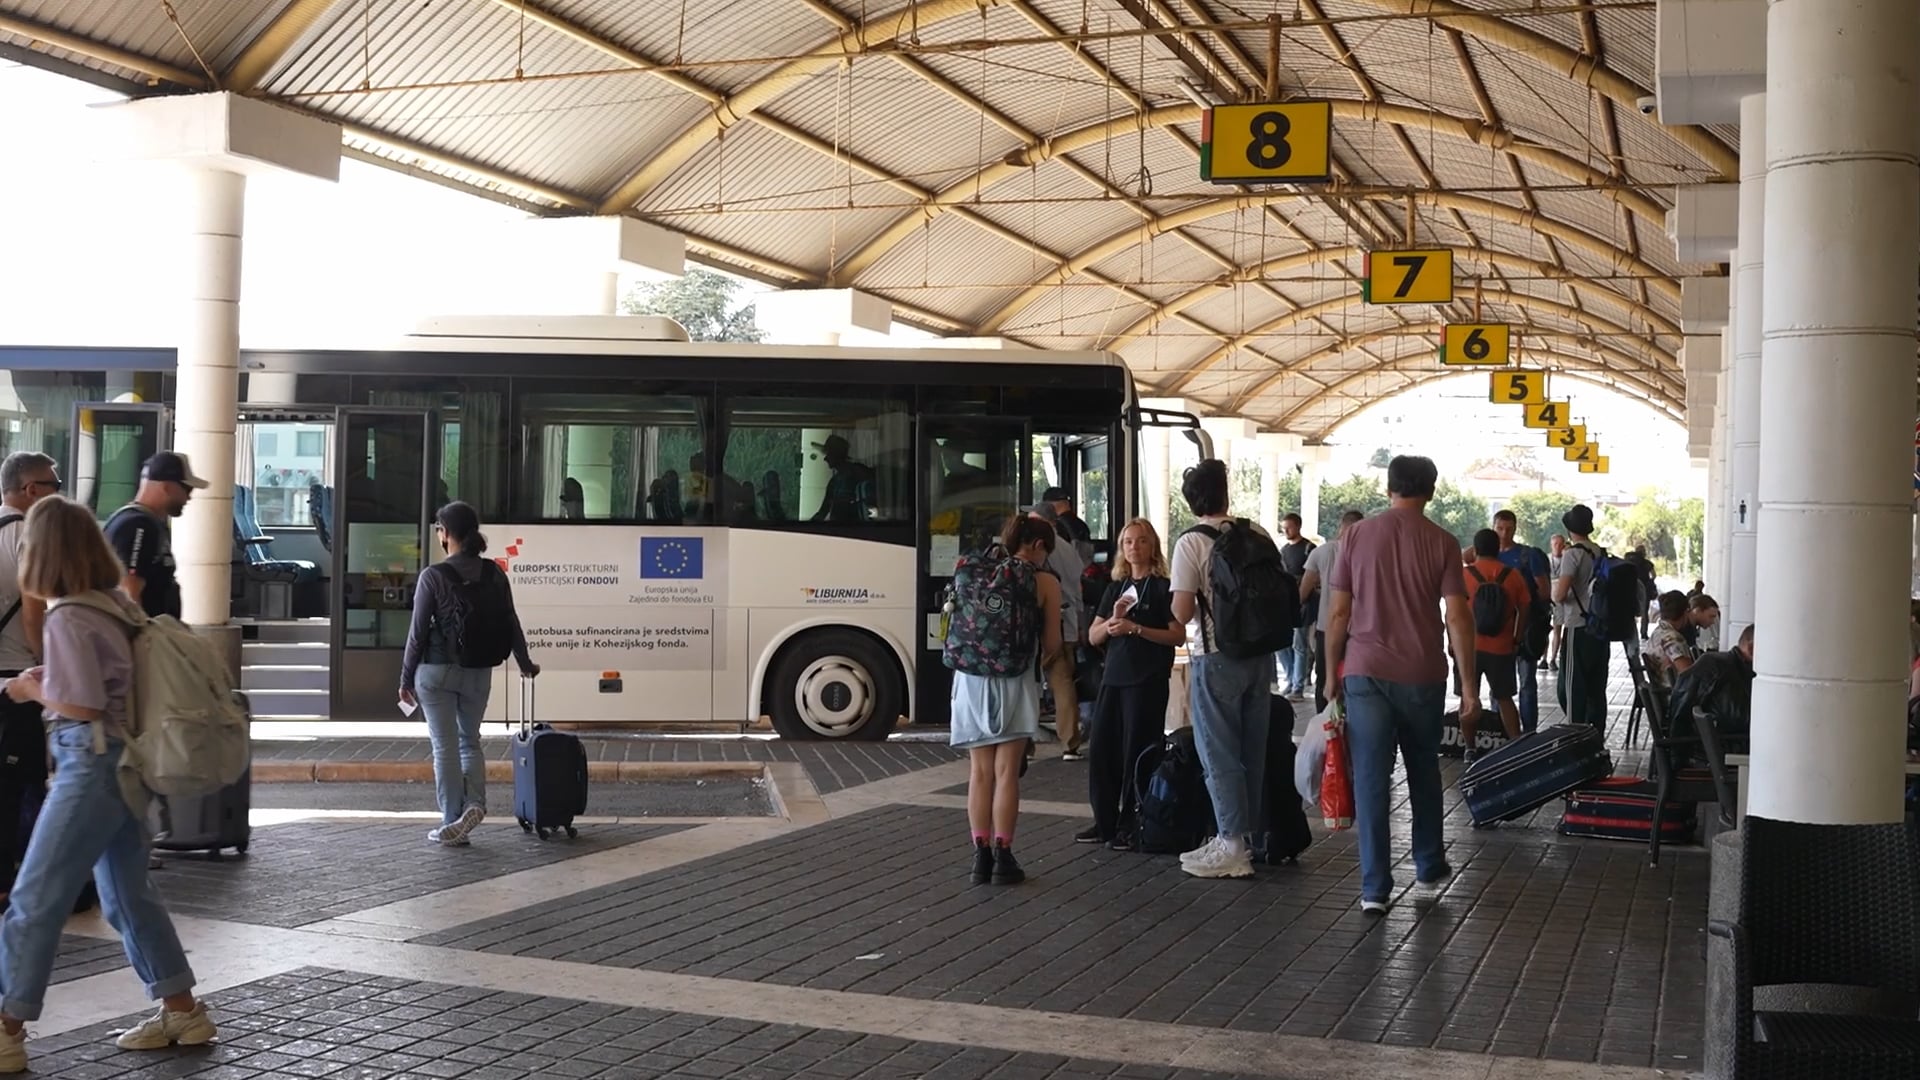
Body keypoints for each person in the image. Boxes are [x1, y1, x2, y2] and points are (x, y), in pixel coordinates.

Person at [0, 496, 217, 1071]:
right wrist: (48, 680)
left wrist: (30, 690)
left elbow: (82, 702)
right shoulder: (114, 603)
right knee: (126, 895)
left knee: (34, 896)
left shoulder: (68, 613)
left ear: (41, 552)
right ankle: (182, 1009)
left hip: (89, 766)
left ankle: (6, 1026)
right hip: (127, 765)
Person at [1326, 455, 1477, 915]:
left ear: (1388, 487)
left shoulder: (1354, 535)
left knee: (1371, 778)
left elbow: (1337, 613)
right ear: (1430, 490)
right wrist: (1470, 688)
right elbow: (1457, 615)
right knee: (1423, 770)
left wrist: (1333, 673)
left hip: (1365, 671)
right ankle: (1428, 863)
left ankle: (1374, 888)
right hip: (1423, 673)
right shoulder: (1445, 542)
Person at [399, 502, 539, 847]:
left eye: (438, 530)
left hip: (435, 673)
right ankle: (474, 804)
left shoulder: (433, 576)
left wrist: (404, 680)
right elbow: (511, 622)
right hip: (479, 671)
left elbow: (417, 634)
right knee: (469, 740)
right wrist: (525, 663)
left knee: (444, 746)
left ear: (445, 533)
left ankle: (451, 821)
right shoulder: (494, 573)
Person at [1169, 459, 1273, 880]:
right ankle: (1250, 838)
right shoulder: (1257, 533)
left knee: (1220, 753)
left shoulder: (1191, 543)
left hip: (1216, 656)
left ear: (1193, 501)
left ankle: (1231, 843)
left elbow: (1182, 610)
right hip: (1260, 656)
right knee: (1253, 750)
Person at [951, 515, 1062, 886]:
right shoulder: (1043, 581)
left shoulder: (974, 568)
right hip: (1014, 680)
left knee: (979, 773)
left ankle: (979, 857)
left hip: (970, 680)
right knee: (1006, 772)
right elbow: (1053, 645)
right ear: (1038, 546)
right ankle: (1004, 855)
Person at [1079, 519, 1179, 850]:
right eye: (1128, 542)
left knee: (1138, 750)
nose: (1134, 547)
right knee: (1103, 750)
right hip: (1114, 678)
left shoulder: (1164, 587)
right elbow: (1093, 636)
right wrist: (1110, 626)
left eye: (1141, 541)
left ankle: (1133, 821)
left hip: (1147, 680)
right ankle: (1104, 821)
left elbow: (1176, 634)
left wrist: (1137, 629)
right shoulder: (1115, 588)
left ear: (1153, 547)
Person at [0, 454, 58, 907]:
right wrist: (47, 665)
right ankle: (19, 880)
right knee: (22, 783)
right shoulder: (28, 535)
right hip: (16, 681)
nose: (57, 491)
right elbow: (35, 612)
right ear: (31, 490)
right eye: (52, 484)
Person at [104, 452, 207, 620]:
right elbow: (129, 588)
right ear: (167, 486)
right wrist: (143, 635)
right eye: (187, 488)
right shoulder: (138, 525)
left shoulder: (147, 523)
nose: (189, 497)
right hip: (146, 639)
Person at [1460, 528, 1531, 761]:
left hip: (1469, 649)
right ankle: (1516, 745)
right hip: (1501, 648)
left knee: (1468, 698)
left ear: (1476, 549)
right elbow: (1525, 607)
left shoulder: (1465, 575)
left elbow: (1454, 613)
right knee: (1505, 698)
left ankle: (1469, 748)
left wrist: (1453, 643)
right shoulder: (1512, 575)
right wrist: (1516, 638)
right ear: (1498, 548)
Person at [1027, 502, 1087, 759]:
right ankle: (1070, 744)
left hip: (1041, 622)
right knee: (1063, 684)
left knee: (1029, 682)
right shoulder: (1068, 548)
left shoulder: (1038, 548)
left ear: (1042, 521)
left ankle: (1025, 743)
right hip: (1068, 623)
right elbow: (1079, 588)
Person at [1492, 509, 1552, 732]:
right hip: (1498, 629)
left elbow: (1545, 591)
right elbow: (1462, 555)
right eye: (1499, 529)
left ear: (1516, 529)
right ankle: (1501, 730)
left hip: (1525, 628)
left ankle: (1527, 732)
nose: (1504, 534)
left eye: (1508, 529)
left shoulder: (1529, 555)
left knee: (1525, 682)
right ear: (1493, 528)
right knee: (1500, 685)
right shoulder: (1488, 554)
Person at [1553, 506, 1611, 730]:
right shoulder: (1600, 552)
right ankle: (1595, 735)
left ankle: (1575, 733)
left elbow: (1560, 594)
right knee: (1597, 688)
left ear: (1569, 529)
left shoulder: (1573, 554)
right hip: (1601, 629)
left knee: (1570, 687)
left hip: (1578, 627)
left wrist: (1556, 590)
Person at [1300, 510, 1362, 714]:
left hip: (1326, 628)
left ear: (1340, 527)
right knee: (1354, 682)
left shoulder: (1321, 552)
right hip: (1358, 630)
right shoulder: (1366, 555)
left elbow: (1303, 591)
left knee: (1325, 681)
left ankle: (1326, 728)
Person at [1275, 513, 1315, 701]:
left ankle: (1298, 685)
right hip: (1285, 602)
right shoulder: (1283, 551)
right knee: (1281, 644)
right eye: (1283, 528)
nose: (1285, 531)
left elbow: (1313, 577)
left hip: (1303, 604)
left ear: (1298, 526)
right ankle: (1291, 678)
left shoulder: (1308, 549)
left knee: (1299, 645)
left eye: (1288, 527)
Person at [810, 436, 874, 523]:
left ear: (835, 455)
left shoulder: (857, 472)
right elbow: (823, 511)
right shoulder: (834, 482)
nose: (825, 459)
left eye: (828, 454)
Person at [1642, 591, 1697, 691]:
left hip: (1661, 692)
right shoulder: (1673, 638)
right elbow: (1689, 675)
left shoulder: (1656, 633)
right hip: (1676, 696)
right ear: (1685, 612)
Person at [1545, 533, 1568, 672]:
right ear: (1551, 545)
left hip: (1560, 598)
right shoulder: (1546, 560)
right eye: (1555, 544)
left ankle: (1553, 658)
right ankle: (1543, 657)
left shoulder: (1567, 560)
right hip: (1548, 597)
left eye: (1560, 544)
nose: (1558, 547)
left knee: (1557, 628)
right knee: (1545, 629)